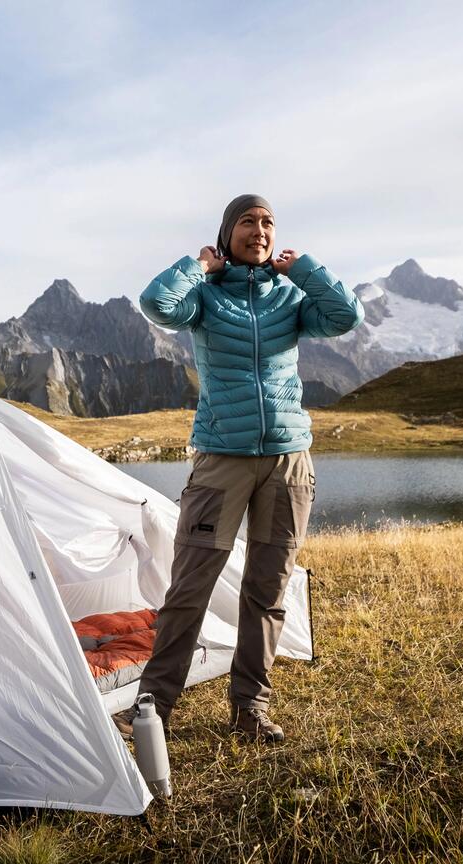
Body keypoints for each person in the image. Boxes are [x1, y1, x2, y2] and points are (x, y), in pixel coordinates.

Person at [114, 193, 364, 743]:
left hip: (287, 459)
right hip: (221, 459)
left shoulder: (290, 300)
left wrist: (303, 269)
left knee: (268, 588)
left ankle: (250, 708)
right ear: (227, 234)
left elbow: (347, 316)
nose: (260, 230)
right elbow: (156, 303)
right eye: (248, 222)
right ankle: (153, 706)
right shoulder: (204, 298)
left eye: (268, 222)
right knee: (190, 585)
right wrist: (199, 265)